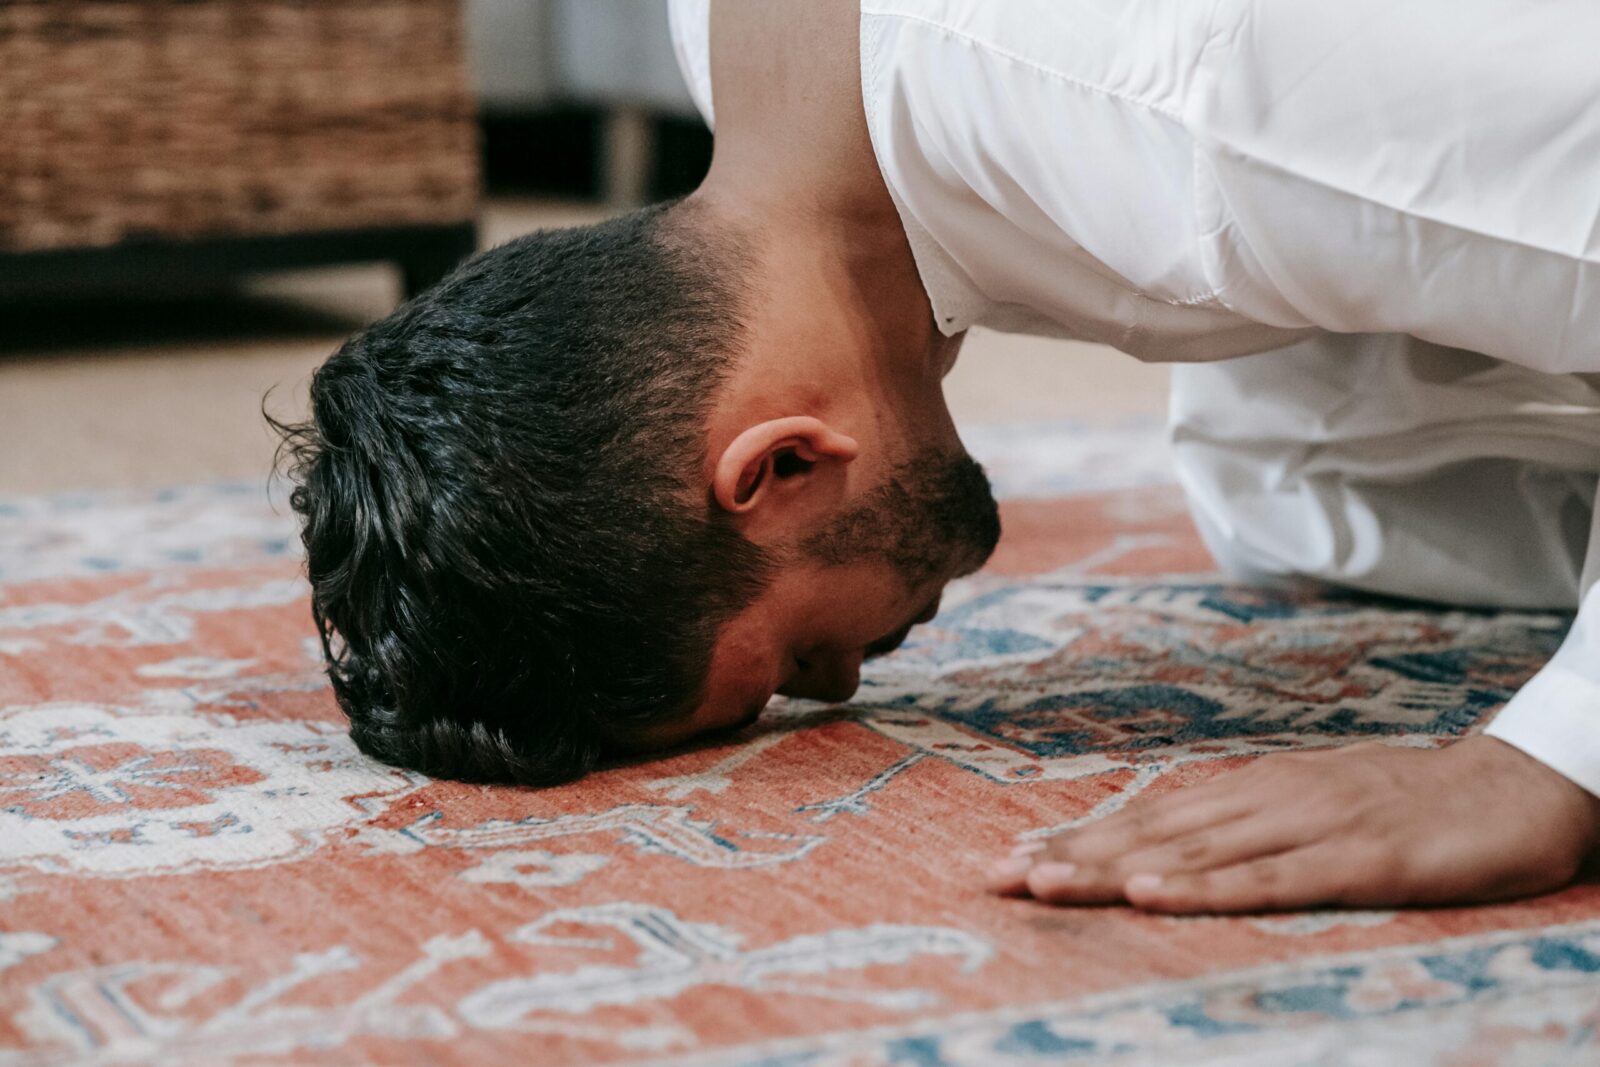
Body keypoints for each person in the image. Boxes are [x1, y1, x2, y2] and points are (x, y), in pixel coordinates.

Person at [277, 0, 1600, 914]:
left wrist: (1547, 765)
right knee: (1293, 500)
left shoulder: (1195, 114)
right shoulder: (761, 79)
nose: (851, 679)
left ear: (780, 466)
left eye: (793, 659)